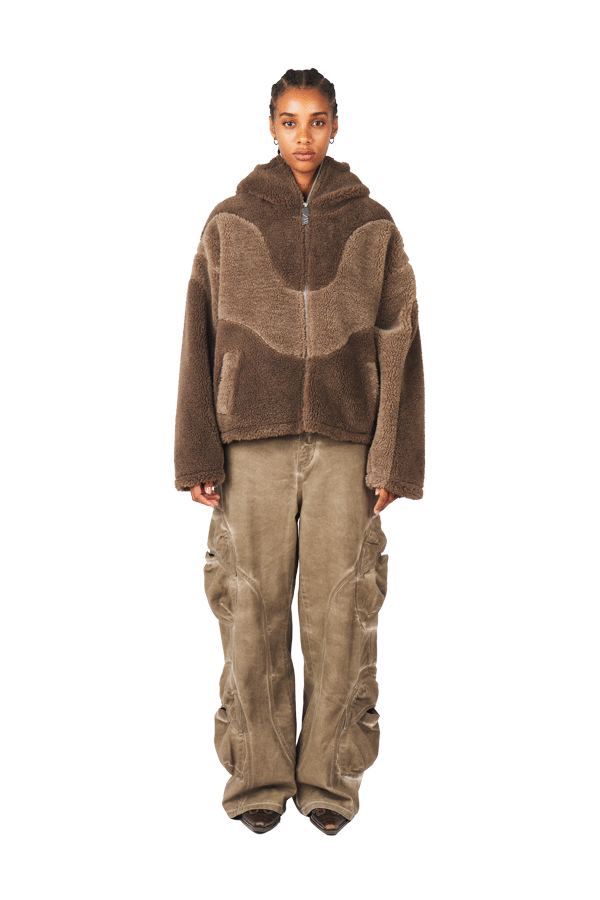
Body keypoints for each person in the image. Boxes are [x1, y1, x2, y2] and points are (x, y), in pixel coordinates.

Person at [174, 68, 425, 835]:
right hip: (248, 446)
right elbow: (198, 336)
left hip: (348, 445)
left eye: (317, 120)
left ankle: (329, 782)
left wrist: (393, 459)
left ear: (336, 125)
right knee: (249, 609)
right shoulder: (230, 223)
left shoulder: (373, 226)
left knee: (341, 613)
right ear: (271, 126)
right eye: (290, 120)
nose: (304, 135)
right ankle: (257, 779)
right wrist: (197, 453)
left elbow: (402, 342)